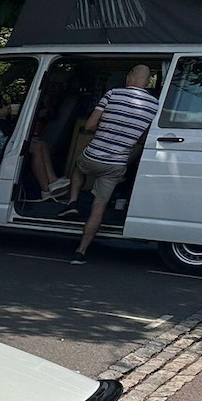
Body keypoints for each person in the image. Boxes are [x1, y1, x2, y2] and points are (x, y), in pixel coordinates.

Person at [62, 65, 160, 265]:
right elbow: (142, 138)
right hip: (116, 164)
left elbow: (89, 125)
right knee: (99, 206)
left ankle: (72, 202)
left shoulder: (112, 94)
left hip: (93, 156)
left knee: (78, 168)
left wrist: (104, 128)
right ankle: (80, 252)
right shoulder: (154, 105)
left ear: (129, 77)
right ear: (148, 82)